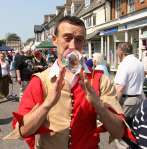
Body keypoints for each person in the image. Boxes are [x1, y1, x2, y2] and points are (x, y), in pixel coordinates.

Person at [4, 16, 133, 149]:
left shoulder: (99, 80)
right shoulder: (40, 80)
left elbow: (119, 132)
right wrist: (47, 104)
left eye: (78, 40)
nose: (72, 46)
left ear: (83, 42)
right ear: (55, 40)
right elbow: (23, 131)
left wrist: (98, 105)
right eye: (67, 38)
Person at [114, 42, 144, 149]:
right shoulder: (139, 62)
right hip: (138, 99)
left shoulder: (125, 64)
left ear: (121, 51)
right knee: (133, 127)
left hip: (127, 101)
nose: (117, 52)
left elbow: (120, 87)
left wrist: (114, 104)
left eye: (117, 50)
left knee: (117, 127)